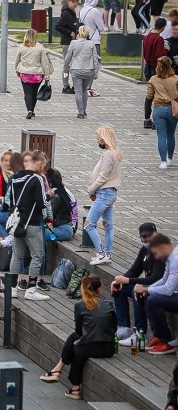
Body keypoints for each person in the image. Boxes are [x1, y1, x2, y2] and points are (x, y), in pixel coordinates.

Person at [40, 275, 116, 400]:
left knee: (76, 348)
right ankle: (57, 371)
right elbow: (114, 327)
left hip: (89, 347)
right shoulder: (109, 304)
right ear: (100, 289)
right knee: (75, 342)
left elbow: (79, 331)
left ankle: (72, 384)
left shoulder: (80, 305)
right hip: (109, 348)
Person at [6, 150, 52, 300]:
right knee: (37, 256)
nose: (44, 168)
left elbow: (11, 202)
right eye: (44, 165)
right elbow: (42, 203)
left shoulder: (14, 178)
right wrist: (49, 195)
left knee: (16, 255)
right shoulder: (37, 179)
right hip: (32, 223)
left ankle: (12, 289)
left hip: (18, 223)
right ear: (38, 162)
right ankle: (31, 290)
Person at [112, 222, 164, 345]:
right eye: (144, 237)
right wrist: (119, 280)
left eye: (150, 236)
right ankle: (124, 327)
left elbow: (155, 279)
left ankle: (140, 333)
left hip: (160, 288)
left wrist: (129, 281)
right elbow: (135, 269)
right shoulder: (145, 250)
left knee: (137, 291)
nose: (147, 239)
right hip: (149, 286)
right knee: (120, 287)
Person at [85, 126, 122, 266]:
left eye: (98, 137)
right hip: (110, 192)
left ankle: (101, 253)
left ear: (104, 138)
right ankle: (107, 253)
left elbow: (103, 176)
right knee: (108, 225)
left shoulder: (108, 154)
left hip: (104, 193)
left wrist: (91, 189)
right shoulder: (116, 152)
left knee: (89, 224)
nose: (97, 140)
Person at [136, 233, 178, 355]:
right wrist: (147, 288)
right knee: (147, 295)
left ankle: (165, 340)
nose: (157, 257)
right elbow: (164, 280)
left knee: (153, 300)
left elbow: (168, 289)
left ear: (163, 248)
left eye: (156, 253)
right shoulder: (170, 256)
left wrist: (146, 289)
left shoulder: (175, 259)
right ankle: (159, 336)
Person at [15, 28, 54, 119]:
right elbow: (44, 63)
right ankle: (32, 109)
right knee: (34, 92)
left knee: (27, 93)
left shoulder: (21, 47)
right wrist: (47, 76)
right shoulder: (40, 48)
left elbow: (17, 60)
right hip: (37, 74)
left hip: (25, 73)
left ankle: (29, 110)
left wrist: (17, 69)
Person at [147, 56, 178, 169]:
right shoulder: (176, 79)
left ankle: (163, 161)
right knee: (171, 134)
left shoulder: (153, 79)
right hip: (172, 108)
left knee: (161, 136)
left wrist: (146, 115)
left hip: (159, 109)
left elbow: (149, 96)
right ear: (170, 66)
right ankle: (170, 158)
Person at [65, 26, 101, 119]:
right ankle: (84, 110)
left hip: (76, 70)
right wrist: (96, 72)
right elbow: (95, 59)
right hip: (89, 70)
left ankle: (80, 112)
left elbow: (67, 58)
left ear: (78, 33)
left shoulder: (73, 43)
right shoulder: (91, 44)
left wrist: (65, 69)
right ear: (88, 34)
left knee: (78, 91)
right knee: (84, 90)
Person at [143, 19, 169, 128]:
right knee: (158, 95)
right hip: (155, 68)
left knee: (150, 94)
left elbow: (144, 53)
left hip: (148, 67)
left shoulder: (147, 36)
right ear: (163, 27)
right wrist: (166, 50)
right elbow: (160, 56)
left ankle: (147, 119)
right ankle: (156, 119)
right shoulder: (159, 39)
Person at [55, 0, 80, 94]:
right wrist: (69, 32)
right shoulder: (66, 13)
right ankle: (65, 86)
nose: (75, 5)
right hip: (67, 42)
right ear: (69, 2)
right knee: (67, 66)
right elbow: (58, 26)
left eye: (76, 3)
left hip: (73, 42)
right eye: (74, 2)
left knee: (73, 65)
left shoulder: (72, 12)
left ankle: (74, 85)